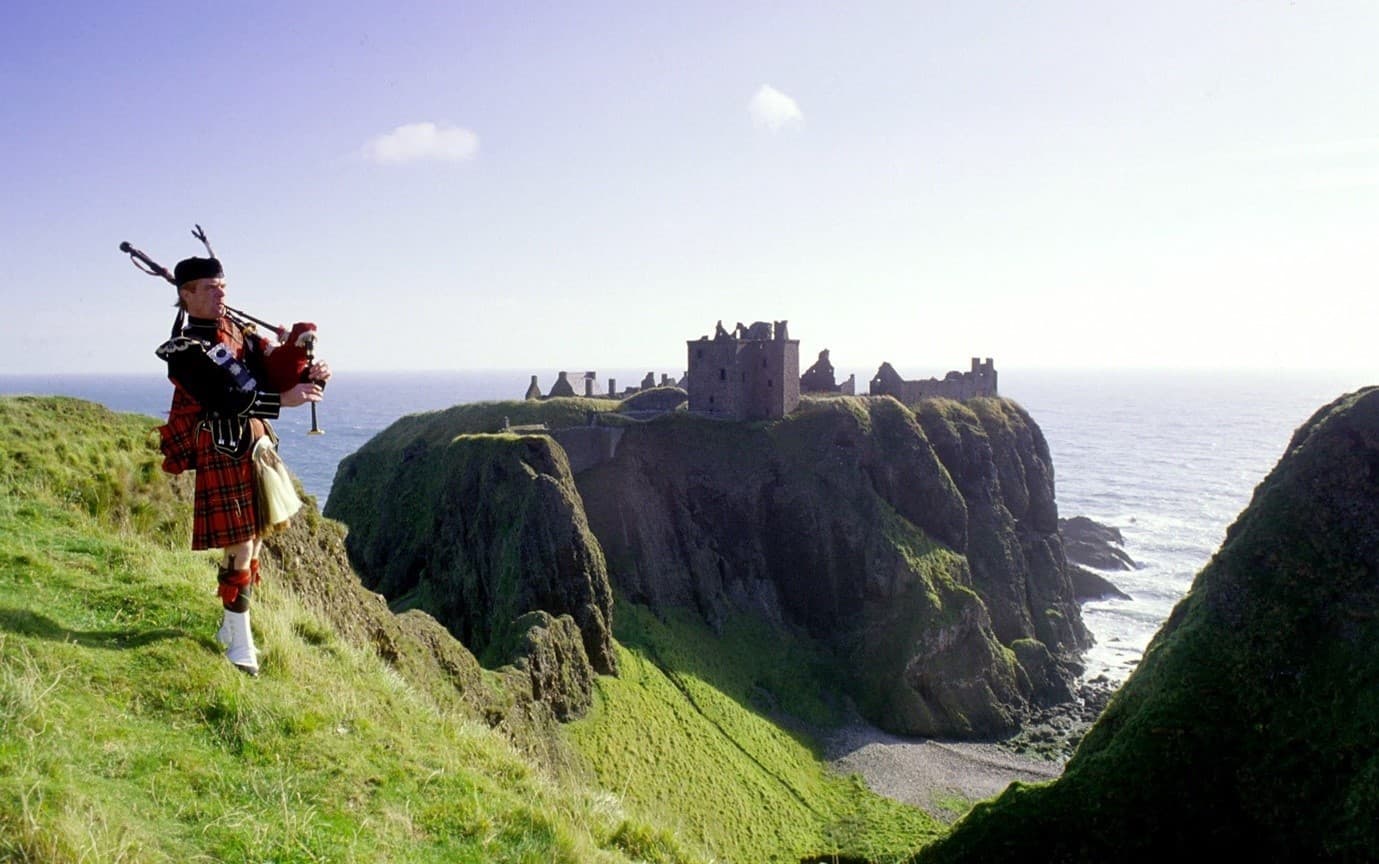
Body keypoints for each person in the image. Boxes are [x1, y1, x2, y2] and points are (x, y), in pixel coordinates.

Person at [154, 256, 329, 676]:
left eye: (223, 287)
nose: (221, 295)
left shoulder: (240, 333)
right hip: (223, 446)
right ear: (187, 295)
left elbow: (272, 373)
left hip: (255, 443)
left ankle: (232, 630)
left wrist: (299, 355)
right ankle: (240, 641)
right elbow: (224, 396)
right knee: (241, 543)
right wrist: (283, 401)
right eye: (210, 288)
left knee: (254, 540)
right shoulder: (184, 351)